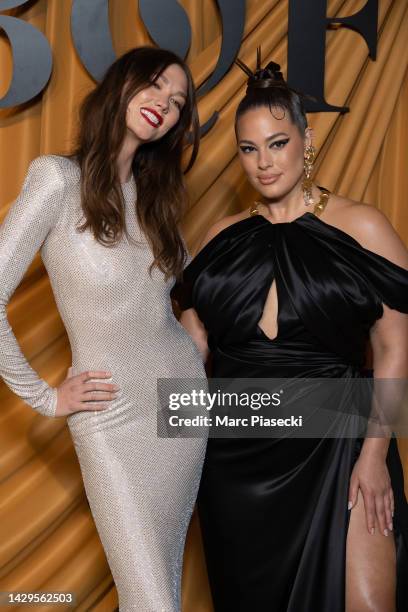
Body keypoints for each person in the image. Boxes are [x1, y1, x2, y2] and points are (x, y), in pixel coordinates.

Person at [171, 58, 408, 611]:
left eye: (277, 143)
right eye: (249, 149)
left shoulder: (363, 226)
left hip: (342, 444)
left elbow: (398, 346)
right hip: (240, 461)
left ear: (308, 138)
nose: (264, 163)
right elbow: (185, 350)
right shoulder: (222, 238)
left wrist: (374, 457)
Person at [0, 46, 207, 611]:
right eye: (156, 87)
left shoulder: (156, 202)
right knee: (151, 602)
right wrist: (45, 397)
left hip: (181, 407)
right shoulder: (56, 181)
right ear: (122, 84)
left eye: (177, 101)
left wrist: (193, 335)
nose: (165, 104)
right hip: (111, 419)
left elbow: (165, 302)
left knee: (160, 588)